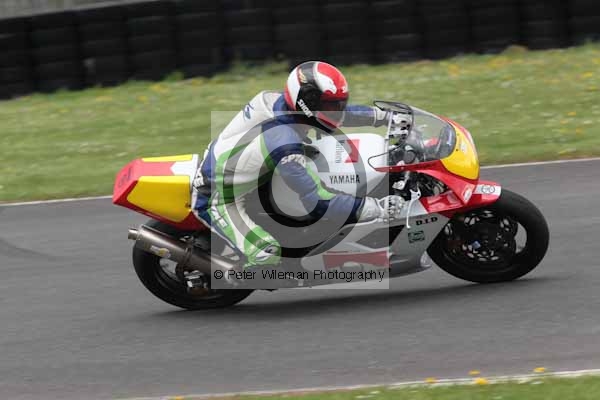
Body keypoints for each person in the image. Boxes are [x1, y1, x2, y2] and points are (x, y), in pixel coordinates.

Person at [193, 61, 405, 269]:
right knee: (266, 255)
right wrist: (376, 209)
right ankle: (240, 278)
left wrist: (385, 117)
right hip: (217, 196)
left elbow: (338, 115)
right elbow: (318, 201)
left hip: (250, 173)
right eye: (330, 106)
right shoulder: (284, 143)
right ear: (306, 104)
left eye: (337, 105)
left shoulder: (285, 105)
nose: (336, 111)